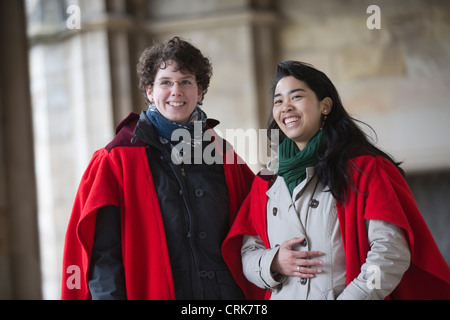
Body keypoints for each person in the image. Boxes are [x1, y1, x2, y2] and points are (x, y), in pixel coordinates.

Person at [222, 60, 450, 300]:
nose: (285, 107)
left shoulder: (364, 169)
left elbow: (390, 252)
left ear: (325, 106)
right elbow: (247, 253)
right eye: (278, 101)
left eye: (296, 97)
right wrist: (273, 262)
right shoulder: (265, 180)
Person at [61, 37, 255, 300]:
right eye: (165, 82)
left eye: (186, 81)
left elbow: (256, 223)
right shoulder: (117, 160)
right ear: (149, 91)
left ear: (199, 92)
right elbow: (103, 258)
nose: (176, 91)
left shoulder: (223, 154)